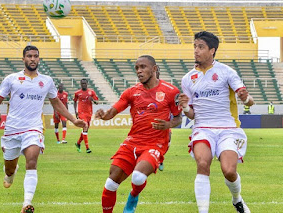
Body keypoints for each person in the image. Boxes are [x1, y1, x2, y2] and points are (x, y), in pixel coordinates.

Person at [0, 45, 87, 213]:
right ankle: (11, 173)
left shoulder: (47, 81)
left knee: (32, 161)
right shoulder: (11, 79)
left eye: (35, 56)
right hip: (12, 129)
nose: (32, 59)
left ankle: (26, 203)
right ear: (23, 59)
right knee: (9, 168)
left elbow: (57, 103)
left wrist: (73, 119)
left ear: (39, 59)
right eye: (29, 56)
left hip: (33, 128)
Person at [178, 31, 253, 213]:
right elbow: (192, 115)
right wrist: (186, 108)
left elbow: (248, 100)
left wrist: (246, 98)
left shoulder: (226, 72)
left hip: (228, 129)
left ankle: (237, 199)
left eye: (201, 47)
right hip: (203, 129)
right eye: (195, 46)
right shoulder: (187, 79)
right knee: (203, 164)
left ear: (212, 50)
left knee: (228, 170)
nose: (196, 51)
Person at [96, 55, 182, 213]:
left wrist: (168, 124)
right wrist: (104, 115)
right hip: (132, 141)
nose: (139, 71)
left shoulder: (171, 91)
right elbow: (113, 112)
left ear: (154, 69)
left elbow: (178, 118)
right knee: (110, 183)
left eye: (143, 67)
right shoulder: (132, 92)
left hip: (155, 144)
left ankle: (133, 196)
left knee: (138, 177)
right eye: (137, 68)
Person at [73, 78, 98, 153]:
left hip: (89, 113)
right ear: (80, 84)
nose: (83, 85)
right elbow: (74, 101)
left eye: (85, 83)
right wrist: (75, 111)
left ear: (87, 84)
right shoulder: (77, 93)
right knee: (85, 126)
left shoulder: (91, 92)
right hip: (81, 113)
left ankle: (78, 143)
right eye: (82, 83)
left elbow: (97, 102)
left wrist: (92, 100)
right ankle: (87, 148)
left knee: (85, 129)